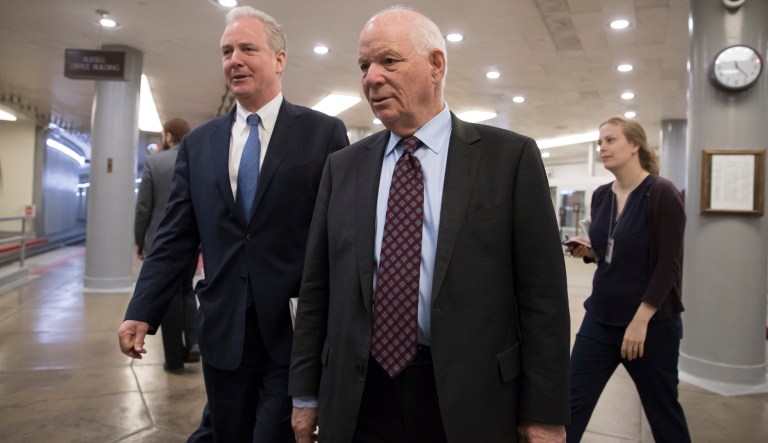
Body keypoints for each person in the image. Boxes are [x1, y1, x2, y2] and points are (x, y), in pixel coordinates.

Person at [289, 6, 570, 443]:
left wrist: (545, 412)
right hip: (360, 394)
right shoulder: (342, 169)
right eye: (364, 66)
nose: (371, 77)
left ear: (436, 64)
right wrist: (304, 395)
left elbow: (543, 297)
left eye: (388, 60)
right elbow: (316, 291)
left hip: (468, 396)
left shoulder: (508, 159)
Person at [117, 6, 349, 442]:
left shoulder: (324, 134)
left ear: (279, 59)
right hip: (224, 332)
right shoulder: (200, 145)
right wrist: (141, 311)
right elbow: (175, 237)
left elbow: (338, 239)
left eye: (247, 48)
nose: (234, 60)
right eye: (226, 51)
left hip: (292, 334)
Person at [564, 117, 691, 442]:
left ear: (635, 145)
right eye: (600, 142)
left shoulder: (662, 193)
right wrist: (590, 253)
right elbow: (612, 250)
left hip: (651, 327)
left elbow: (668, 266)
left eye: (610, 140)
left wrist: (640, 321)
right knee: (568, 408)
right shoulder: (602, 195)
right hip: (600, 320)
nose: (602, 148)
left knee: (664, 415)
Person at [134, 118, 200, 375]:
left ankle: (174, 360)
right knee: (186, 289)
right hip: (191, 241)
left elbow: (144, 207)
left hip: (160, 242)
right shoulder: (197, 159)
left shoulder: (155, 161)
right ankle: (193, 342)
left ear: (169, 136)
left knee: (169, 296)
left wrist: (140, 240)